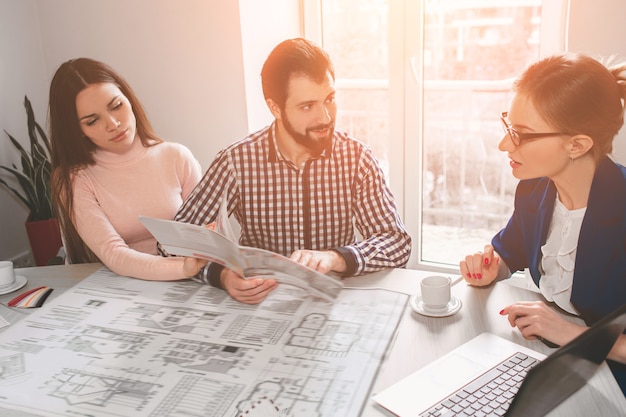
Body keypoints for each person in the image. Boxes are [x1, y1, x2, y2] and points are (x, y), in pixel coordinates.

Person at [173, 38, 411, 304]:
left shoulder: (357, 158)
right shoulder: (236, 161)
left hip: (334, 305)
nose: (325, 117)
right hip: (259, 305)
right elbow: (173, 243)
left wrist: (335, 257)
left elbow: (396, 242)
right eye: (307, 106)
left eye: (329, 99)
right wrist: (222, 275)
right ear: (275, 107)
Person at [459, 52, 626, 394]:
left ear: (577, 145)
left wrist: (567, 333)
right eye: (509, 127)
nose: (504, 144)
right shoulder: (534, 191)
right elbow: (512, 249)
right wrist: (495, 267)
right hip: (550, 359)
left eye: (522, 134)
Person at [49, 58, 205, 280]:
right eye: (92, 121)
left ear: (129, 99)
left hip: (193, 281)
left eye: (116, 106)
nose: (113, 124)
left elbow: (204, 236)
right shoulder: (74, 178)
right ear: (78, 130)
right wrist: (183, 268)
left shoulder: (176, 156)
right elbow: (113, 253)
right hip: (123, 288)